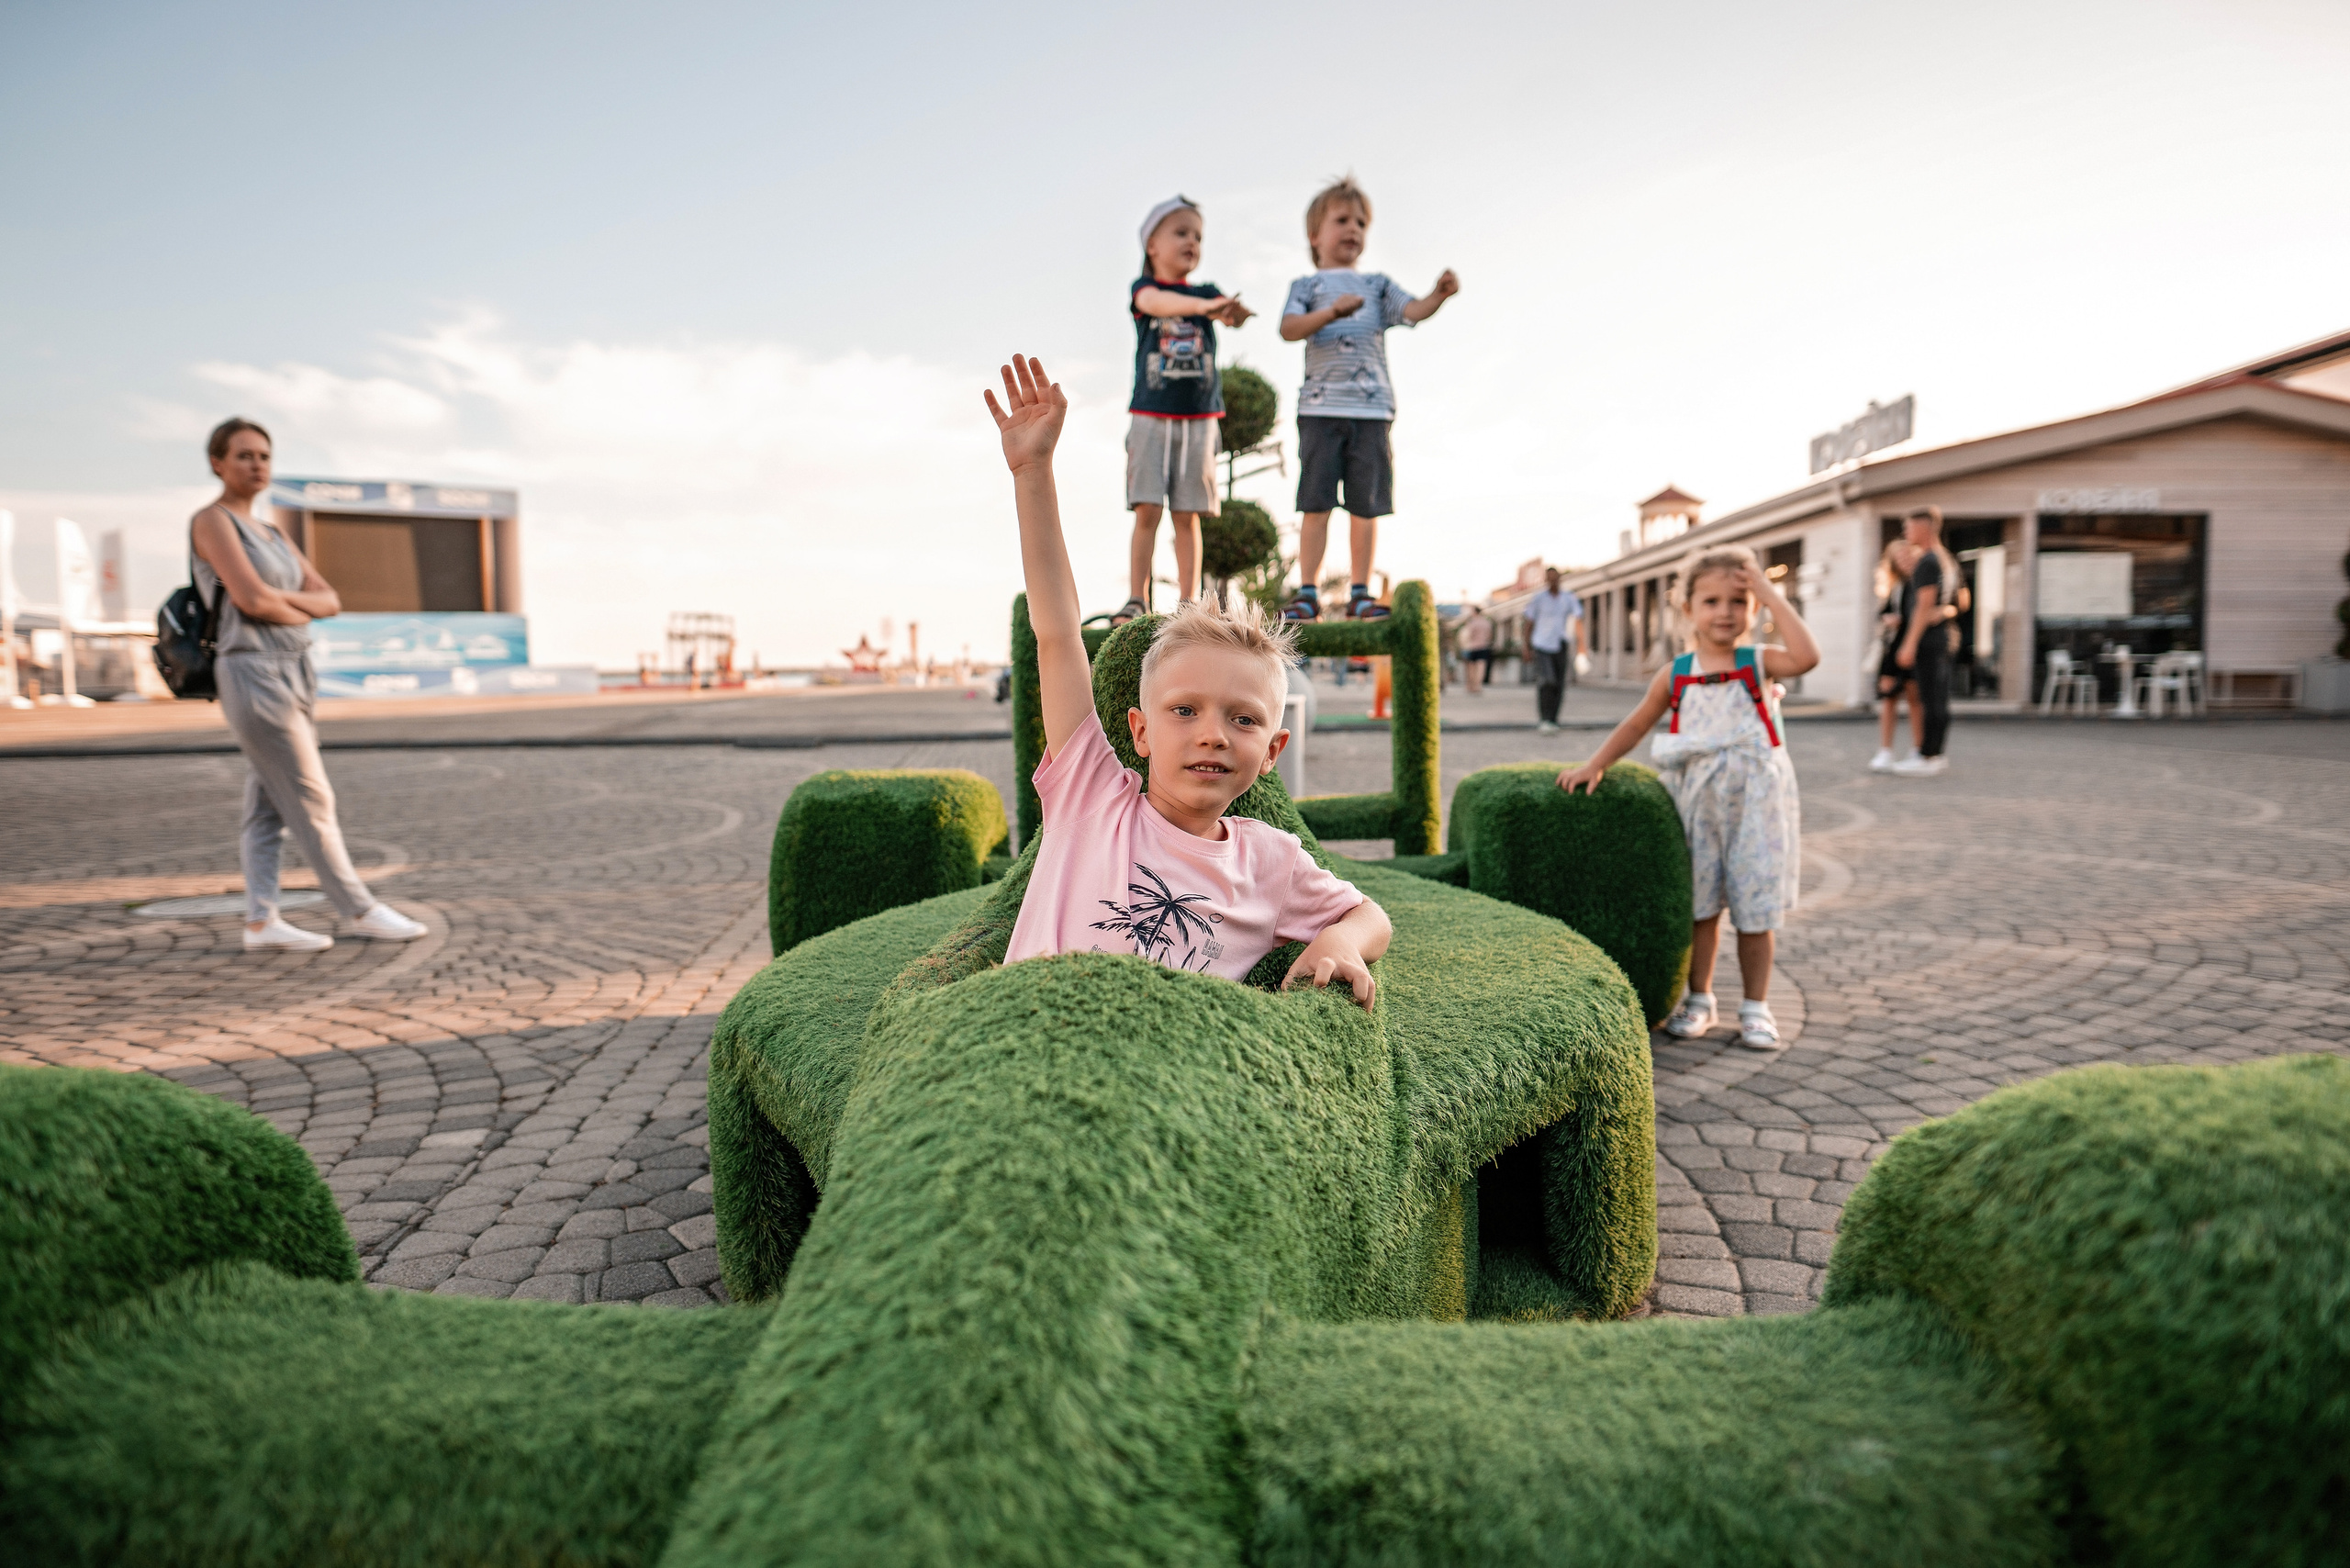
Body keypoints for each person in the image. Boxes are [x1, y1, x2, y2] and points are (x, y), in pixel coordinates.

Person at [985, 354, 1390, 1006]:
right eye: (1183, 711)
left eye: (1244, 719)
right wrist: (1033, 472)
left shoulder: (1271, 861)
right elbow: (1057, 636)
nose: (1213, 735)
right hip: (1026, 1047)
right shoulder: (1092, 796)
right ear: (1139, 732)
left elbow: (1371, 916)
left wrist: (1339, 943)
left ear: (1271, 753)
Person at [1557, 544, 1818, 1050]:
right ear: (1688, 608)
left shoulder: (1760, 663)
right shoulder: (1677, 673)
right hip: (1698, 809)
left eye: (1739, 601)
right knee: (1701, 909)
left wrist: (1768, 591)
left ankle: (1756, 1007)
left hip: (1756, 811)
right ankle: (1700, 998)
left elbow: (1807, 656)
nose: (1726, 612)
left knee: (1755, 911)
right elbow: (1636, 724)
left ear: (1754, 609)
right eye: (1713, 601)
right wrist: (1595, 764)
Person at [189, 418, 427, 952]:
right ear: (217, 463)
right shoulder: (213, 521)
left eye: (265, 456)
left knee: (267, 805)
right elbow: (251, 600)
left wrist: (284, 606)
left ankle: (261, 922)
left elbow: (332, 600)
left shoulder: (273, 534)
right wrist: (297, 607)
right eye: (245, 455)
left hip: (297, 668)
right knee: (311, 795)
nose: (257, 465)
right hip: (252, 669)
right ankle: (359, 908)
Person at [1277, 177, 1459, 623]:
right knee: (1315, 504)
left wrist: (1438, 295)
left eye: (1360, 222)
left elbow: (1412, 310)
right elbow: (1289, 328)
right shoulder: (1307, 285)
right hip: (1320, 410)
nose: (1353, 229)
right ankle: (1308, 593)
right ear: (1315, 235)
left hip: (1371, 410)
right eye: (1342, 220)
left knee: (1366, 504)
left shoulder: (1377, 286)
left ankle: (1359, 592)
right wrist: (1333, 312)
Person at [1115, 196, 1254, 625]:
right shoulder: (1145, 291)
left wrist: (1233, 312)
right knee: (1147, 509)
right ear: (1151, 245)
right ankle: (1137, 597)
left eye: (1197, 235)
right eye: (1181, 232)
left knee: (1187, 513)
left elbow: (1234, 318)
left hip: (1199, 420)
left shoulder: (1207, 292)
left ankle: (1190, 604)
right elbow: (1158, 304)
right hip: (1151, 414)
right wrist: (1205, 308)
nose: (1192, 241)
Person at [1891, 507, 1955, 777]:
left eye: (1909, 526)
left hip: (1929, 641)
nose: (1906, 533)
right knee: (1937, 698)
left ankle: (1928, 755)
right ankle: (1933, 753)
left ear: (1924, 526)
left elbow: (1924, 606)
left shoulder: (1928, 561)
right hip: (1941, 639)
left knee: (1930, 699)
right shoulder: (1945, 560)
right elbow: (1955, 602)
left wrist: (1909, 643)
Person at [1868, 538, 1923, 772]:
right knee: (1888, 698)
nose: (1904, 561)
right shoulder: (1893, 586)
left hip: (1913, 647)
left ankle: (1918, 749)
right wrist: (1888, 619)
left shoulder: (1920, 583)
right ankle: (1885, 750)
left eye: (1907, 556)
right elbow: (1881, 613)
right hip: (1891, 649)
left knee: (1914, 698)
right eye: (1898, 558)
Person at [1522, 566, 1587, 733]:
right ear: (1546, 580)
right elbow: (1529, 624)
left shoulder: (1568, 598)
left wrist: (1582, 647)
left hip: (1560, 644)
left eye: (1555, 577)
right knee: (1547, 681)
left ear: (1560, 579)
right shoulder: (1538, 599)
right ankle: (1544, 719)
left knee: (1558, 683)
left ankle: (1553, 720)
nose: (1553, 581)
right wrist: (1526, 647)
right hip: (1542, 645)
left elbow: (1578, 620)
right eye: (1549, 578)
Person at [1458, 604, 1495, 695]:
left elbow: (1468, 635)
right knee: (1481, 667)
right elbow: (1490, 635)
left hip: (1472, 647)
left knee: (1471, 667)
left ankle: (1471, 685)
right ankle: (1478, 685)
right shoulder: (1487, 622)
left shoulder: (1472, 623)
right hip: (1484, 646)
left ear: (1475, 612)